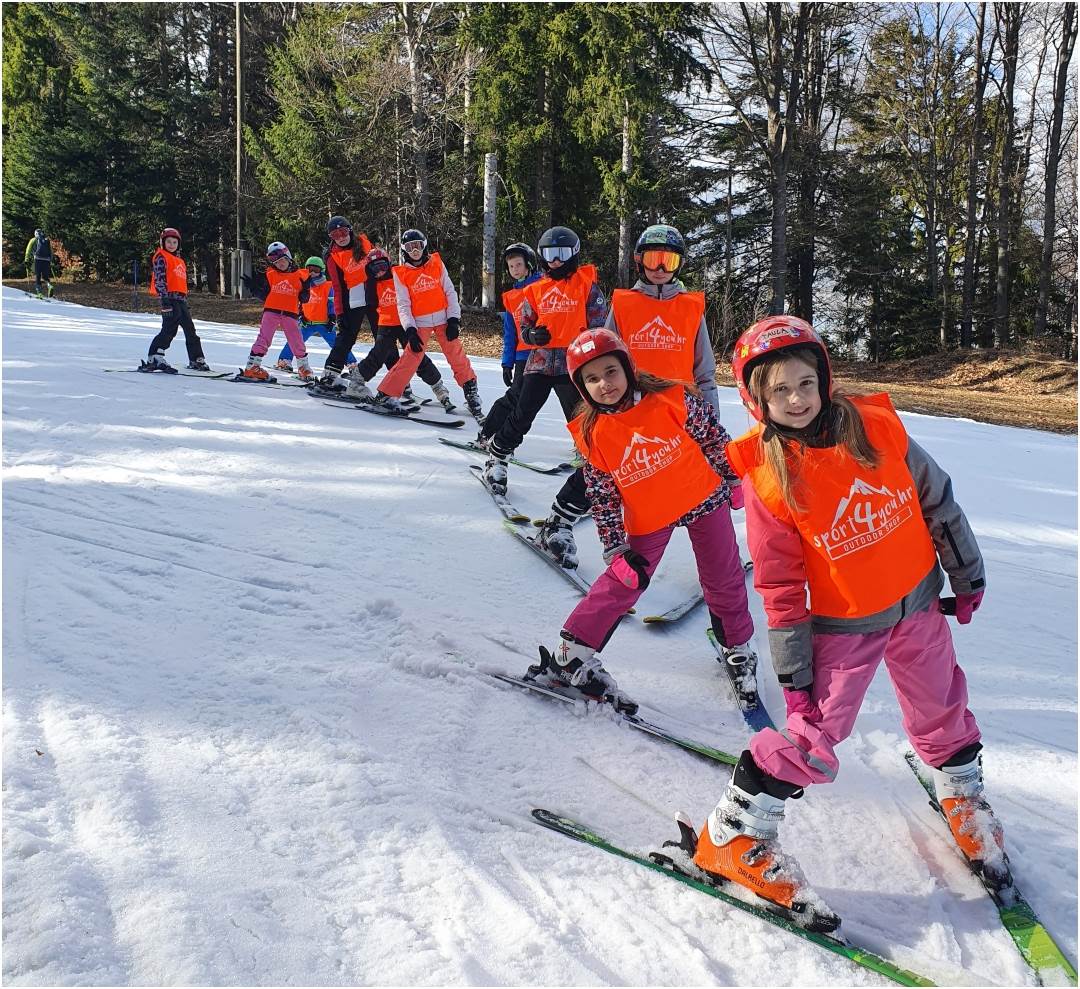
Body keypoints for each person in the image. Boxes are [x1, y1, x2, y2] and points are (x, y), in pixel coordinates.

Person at [689, 315, 998, 933]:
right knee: (814, 733)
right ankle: (734, 831)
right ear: (756, 399)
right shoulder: (771, 479)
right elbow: (779, 588)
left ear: (825, 377)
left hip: (916, 604)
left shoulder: (878, 429)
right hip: (843, 625)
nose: (798, 399)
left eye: (807, 382)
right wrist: (796, 677)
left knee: (942, 706)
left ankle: (961, 793)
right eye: (780, 390)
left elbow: (938, 500)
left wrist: (966, 574)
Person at [528, 328, 755, 718]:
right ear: (581, 389)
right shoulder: (593, 432)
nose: (604, 384)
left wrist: (733, 478)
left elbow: (714, 440)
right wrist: (615, 548)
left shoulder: (673, 399)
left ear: (628, 368)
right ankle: (571, 655)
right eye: (592, 379)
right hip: (649, 516)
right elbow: (601, 496)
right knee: (624, 579)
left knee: (723, 575)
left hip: (704, 497)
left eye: (610, 372)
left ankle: (736, 648)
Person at [482, 226, 605, 496]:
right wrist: (532, 335)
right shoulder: (536, 289)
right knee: (522, 413)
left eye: (561, 254)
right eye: (550, 254)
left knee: (582, 418)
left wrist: (591, 354)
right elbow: (524, 323)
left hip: (574, 366)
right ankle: (498, 457)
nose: (556, 260)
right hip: (539, 363)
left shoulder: (587, 286)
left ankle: (597, 468)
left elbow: (599, 325)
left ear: (573, 254)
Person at [369, 229, 484, 418]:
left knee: (456, 355)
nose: (415, 251)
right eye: (410, 247)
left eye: (418, 246)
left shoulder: (436, 264)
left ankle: (471, 392)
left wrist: (454, 319)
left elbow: (449, 291)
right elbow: (403, 304)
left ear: (424, 246)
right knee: (410, 359)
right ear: (404, 250)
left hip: (444, 319)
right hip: (420, 323)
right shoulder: (401, 273)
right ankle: (386, 394)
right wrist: (410, 330)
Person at [606, 225, 719, 413]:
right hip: (632, 405)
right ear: (640, 261)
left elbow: (704, 370)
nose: (660, 269)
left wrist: (711, 417)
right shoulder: (623, 304)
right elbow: (605, 360)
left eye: (669, 261)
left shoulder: (691, 307)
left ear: (679, 265)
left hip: (681, 407)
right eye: (652, 260)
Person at [340, 247, 454, 409]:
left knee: (417, 356)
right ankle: (357, 382)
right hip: (386, 323)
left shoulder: (399, 274)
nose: (379, 272)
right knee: (378, 355)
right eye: (374, 269)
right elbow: (371, 302)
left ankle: (438, 387)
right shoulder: (372, 283)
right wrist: (371, 280)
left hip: (406, 322)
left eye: (382, 267)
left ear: (388, 263)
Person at [476, 242, 543, 445]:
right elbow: (510, 333)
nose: (515, 270)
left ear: (529, 264)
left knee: (571, 400)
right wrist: (507, 362)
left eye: (519, 265)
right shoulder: (511, 297)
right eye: (511, 266)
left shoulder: (543, 287)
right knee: (516, 397)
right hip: (525, 356)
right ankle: (487, 434)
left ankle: (583, 447)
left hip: (551, 354)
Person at [238, 242, 314, 381]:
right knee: (264, 338)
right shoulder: (271, 275)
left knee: (296, 341)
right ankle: (252, 367)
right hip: (271, 312)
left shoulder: (300, 276)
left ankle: (304, 369)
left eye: (283, 260)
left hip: (290, 314)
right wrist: (254, 289)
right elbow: (265, 295)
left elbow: (305, 299)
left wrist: (306, 289)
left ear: (289, 258)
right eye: (277, 262)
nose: (281, 264)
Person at [316, 215, 375, 388]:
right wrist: (340, 313)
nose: (340, 237)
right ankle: (330, 374)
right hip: (353, 298)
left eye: (342, 231)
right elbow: (338, 287)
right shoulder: (332, 257)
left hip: (374, 294)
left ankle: (400, 383)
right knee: (346, 336)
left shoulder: (364, 243)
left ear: (350, 230)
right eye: (335, 235)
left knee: (384, 338)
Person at [142, 227, 211, 373]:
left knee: (190, 330)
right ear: (163, 243)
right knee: (169, 329)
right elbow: (160, 280)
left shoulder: (179, 260)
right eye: (169, 242)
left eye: (175, 242)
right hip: (169, 299)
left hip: (180, 300)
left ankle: (196, 358)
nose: (172, 244)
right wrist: (164, 300)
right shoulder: (161, 257)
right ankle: (155, 356)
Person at [274, 257, 357, 372]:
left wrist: (333, 318)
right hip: (307, 323)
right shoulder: (303, 286)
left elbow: (332, 303)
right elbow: (299, 303)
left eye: (315, 270)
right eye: (309, 269)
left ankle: (352, 364)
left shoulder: (328, 286)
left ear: (322, 271)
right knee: (294, 340)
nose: (312, 273)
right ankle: (284, 361)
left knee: (338, 345)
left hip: (325, 323)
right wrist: (301, 315)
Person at [23, 229, 53, 297]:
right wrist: (50, 260)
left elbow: (28, 250)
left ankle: (39, 293)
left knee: (38, 276)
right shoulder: (46, 240)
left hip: (38, 259)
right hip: (47, 260)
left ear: (35, 234)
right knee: (45, 276)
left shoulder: (33, 240)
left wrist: (26, 260)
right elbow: (51, 252)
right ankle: (49, 286)